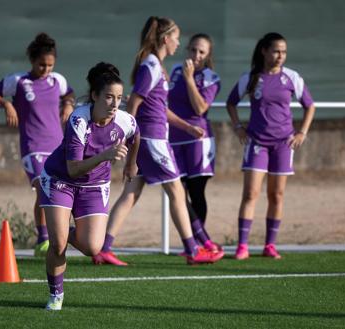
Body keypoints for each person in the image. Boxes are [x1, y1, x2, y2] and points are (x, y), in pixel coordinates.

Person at [92, 16, 223, 266]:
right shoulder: (151, 65)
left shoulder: (156, 66)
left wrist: (187, 127)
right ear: (165, 39)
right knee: (176, 191)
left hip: (149, 136)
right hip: (152, 139)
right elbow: (134, 102)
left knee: (132, 193)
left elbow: (158, 108)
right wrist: (126, 134)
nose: (178, 43)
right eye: (176, 38)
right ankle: (193, 250)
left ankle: (103, 249)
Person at [41, 62, 140, 310]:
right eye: (108, 97)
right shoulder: (78, 119)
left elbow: (136, 134)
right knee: (57, 245)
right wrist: (106, 155)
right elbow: (74, 168)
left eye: (119, 97)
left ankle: (63, 231)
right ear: (95, 96)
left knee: (93, 247)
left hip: (94, 186)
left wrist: (131, 164)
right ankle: (56, 294)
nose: (115, 103)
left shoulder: (125, 121)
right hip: (60, 180)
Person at [226, 32, 315, 260]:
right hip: (256, 143)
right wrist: (238, 127)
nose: (280, 56)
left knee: (276, 195)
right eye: (276, 51)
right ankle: (242, 246)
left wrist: (302, 132)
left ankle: (269, 246)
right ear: (264, 51)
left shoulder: (292, 77)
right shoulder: (252, 78)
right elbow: (231, 103)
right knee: (250, 193)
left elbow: (309, 105)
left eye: (284, 52)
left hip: (283, 144)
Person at [0, 33, 75, 258]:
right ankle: (43, 239)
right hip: (32, 146)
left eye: (50, 65)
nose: (46, 69)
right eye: (42, 64)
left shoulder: (57, 80)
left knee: (56, 191)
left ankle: (51, 236)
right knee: (44, 188)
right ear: (32, 61)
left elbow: (69, 92)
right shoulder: (19, 81)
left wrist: (68, 104)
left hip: (56, 145)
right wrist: (7, 104)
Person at [168, 33, 223, 255]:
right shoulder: (174, 71)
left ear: (208, 55)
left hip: (198, 140)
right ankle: (194, 241)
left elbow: (200, 108)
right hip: (174, 139)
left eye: (202, 52)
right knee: (178, 191)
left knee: (196, 193)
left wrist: (190, 79)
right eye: (193, 50)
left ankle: (199, 243)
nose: (196, 55)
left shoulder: (211, 78)